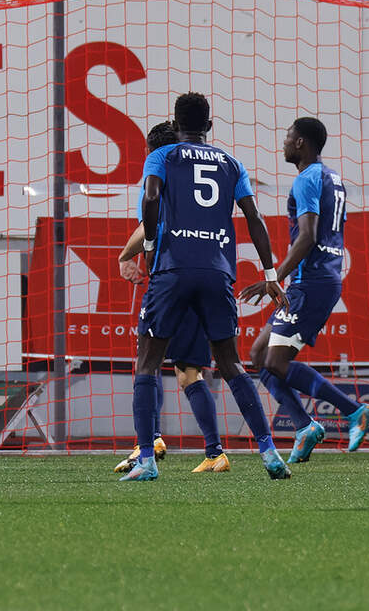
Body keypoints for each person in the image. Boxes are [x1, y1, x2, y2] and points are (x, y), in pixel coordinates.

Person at [122, 92, 290, 482]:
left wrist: (148, 248)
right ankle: (268, 452)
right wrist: (270, 273)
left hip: (173, 268)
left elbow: (150, 197)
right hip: (218, 271)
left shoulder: (163, 156)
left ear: (176, 126)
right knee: (230, 364)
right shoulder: (232, 163)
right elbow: (254, 216)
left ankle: (146, 459)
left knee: (148, 362)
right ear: (209, 127)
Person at [240, 118, 369, 465]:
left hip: (311, 280)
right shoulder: (334, 178)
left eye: (287, 137)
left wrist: (273, 276)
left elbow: (308, 236)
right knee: (259, 355)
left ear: (301, 142)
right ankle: (304, 426)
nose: (284, 144)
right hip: (321, 278)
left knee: (275, 361)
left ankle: (353, 410)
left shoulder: (306, 179)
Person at [115, 121, 229, 475]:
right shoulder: (202, 175)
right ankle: (215, 452)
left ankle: (147, 444)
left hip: (168, 282)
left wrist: (124, 256)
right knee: (188, 372)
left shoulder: (160, 174)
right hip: (203, 278)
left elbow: (152, 223)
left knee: (147, 362)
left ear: (151, 151)